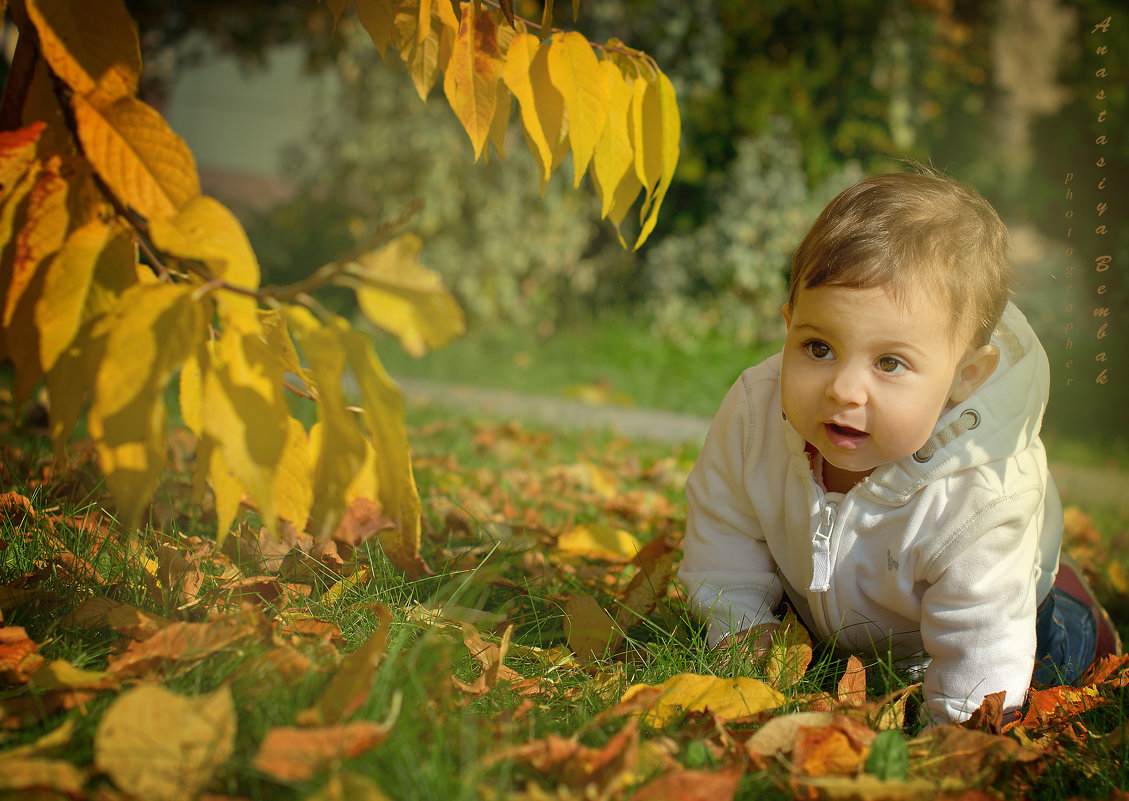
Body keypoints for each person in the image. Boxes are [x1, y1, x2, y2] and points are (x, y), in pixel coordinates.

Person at [678, 169, 1121, 726]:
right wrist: (741, 627)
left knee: (1052, 663)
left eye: (889, 363)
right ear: (788, 325)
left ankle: (1079, 612)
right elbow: (724, 526)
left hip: (999, 623)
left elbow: (982, 646)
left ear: (965, 376)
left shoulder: (980, 493)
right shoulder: (753, 415)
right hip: (832, 618)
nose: (843, 389)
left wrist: (955, 738)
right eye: (818, 347)